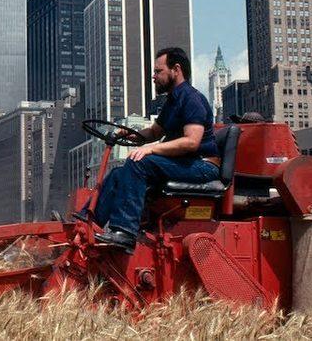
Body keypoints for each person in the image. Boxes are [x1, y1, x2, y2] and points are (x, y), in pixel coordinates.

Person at [88, 47, 220, 252]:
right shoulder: (173, 101)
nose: (154, 76)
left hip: (202, 165)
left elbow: (191, 142)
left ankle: (124, 232)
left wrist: (151, 150)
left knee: (138, 162)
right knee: (117, 174)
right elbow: (155, 132)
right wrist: (131, 134)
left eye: (158, 71)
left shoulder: (191, 98)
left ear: (176, 70)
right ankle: (88, 224)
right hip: (185, 162)